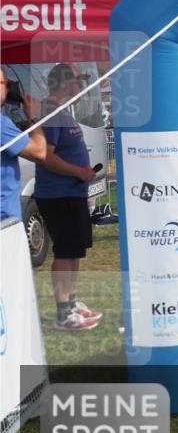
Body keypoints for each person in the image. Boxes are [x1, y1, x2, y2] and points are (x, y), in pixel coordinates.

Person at [36, 64, 101, 331]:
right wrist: (79, 171)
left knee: (74, 251)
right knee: (64, 252)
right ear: (65, 84)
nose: (81, 86)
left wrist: (82, 175)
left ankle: (71, 304)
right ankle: (63, 312)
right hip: (58, 194)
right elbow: (46, 156)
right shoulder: (50, 112)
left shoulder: (62, 111)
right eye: (77, 81)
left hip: (71, 192)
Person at [1, 67, 47, 221]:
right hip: (4, 219)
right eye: (5, 83)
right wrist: (34, 118)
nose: (8, 89)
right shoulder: (2, 124)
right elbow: (39, 152)